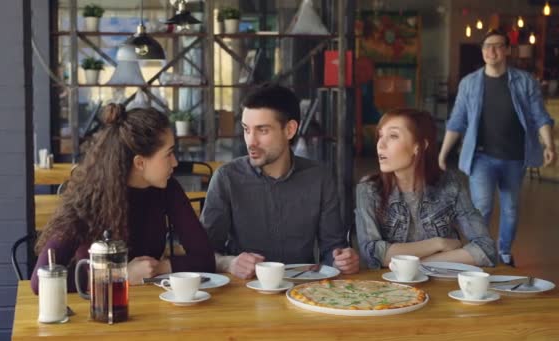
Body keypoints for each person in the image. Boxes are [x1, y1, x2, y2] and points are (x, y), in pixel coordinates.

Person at [31, 104, 215, 293]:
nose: (175, 162)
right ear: (140, 163)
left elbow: (205, 259)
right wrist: (119, 275)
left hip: (150, 304)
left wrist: (159, 268)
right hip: (98, 308)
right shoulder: (89, 196)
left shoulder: (168, 188)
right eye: (168, 154)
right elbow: (40, 280)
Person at [201, 84, 359, 279]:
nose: (251, 141)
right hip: (244, 292)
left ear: (290, 130)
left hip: (303, 289)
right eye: (246, 129)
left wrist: (342, 261)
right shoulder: (226, 178)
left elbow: (332, 249)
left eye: (262, 130)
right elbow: (202, 254)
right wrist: (229, 263)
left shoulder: (320, 178)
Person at [438, 29, 556, 267]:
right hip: (481, 157)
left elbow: (539, 116)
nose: (491, 51)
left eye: (497, 45)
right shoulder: (470, 83)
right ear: (482, 52)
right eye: (486, 46)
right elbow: (457, 121)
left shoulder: (525, 81)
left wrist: (549, 145)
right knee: (482, 208)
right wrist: (443, 153)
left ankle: (503, 252)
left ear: (507, 50)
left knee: (511, 208)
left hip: (515, 158)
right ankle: (481, 252)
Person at [356, 108, 496, 269]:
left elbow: (486, 248)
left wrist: (416, 264)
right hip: (392, 287)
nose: (381, 145)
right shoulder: (369, 189)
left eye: (393, 136)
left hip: (443, 285)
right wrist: (438, 244)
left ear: (419, 146)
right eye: (380, 136)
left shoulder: (450, 184)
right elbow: (374, 254)